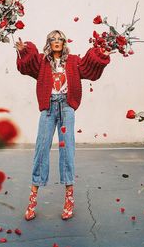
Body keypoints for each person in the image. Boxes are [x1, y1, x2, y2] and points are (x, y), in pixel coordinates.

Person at [15, 30, 111, 221]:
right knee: (41, 149)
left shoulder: (74, 61)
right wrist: (24, 51)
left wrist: (101, 55)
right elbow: (27, 66)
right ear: (48, 42)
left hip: (66, 108)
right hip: (48, 108)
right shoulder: (42, 62)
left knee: (67, 150)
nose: (57, 42)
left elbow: (90, 69)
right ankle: (33, 199)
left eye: (60, 39)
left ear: (64, 42)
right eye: (53, 39)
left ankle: (69, 199)